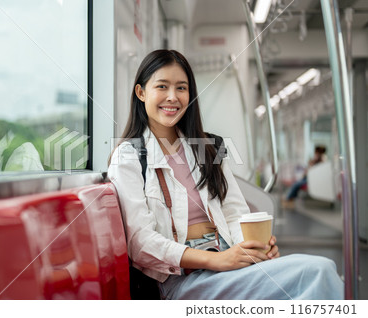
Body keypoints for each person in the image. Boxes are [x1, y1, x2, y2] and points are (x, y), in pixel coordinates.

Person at [108, 50, 343, 300]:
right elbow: (140, 242)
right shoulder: (129, 156)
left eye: (181, 88)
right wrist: (216, 260)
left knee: (318, 277)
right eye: (162, 86)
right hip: (181, 279)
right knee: (318, 272)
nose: (172, 97)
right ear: (141, 92)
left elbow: (234, 212)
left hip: (228, 261)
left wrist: (252, 248)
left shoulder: (209, 146)